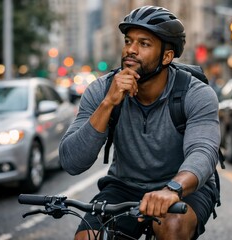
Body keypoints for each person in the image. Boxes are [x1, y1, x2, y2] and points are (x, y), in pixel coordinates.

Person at [59, 5, 221, 240]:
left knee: (172, 226)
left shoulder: (196, 94)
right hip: (124, 185)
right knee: (88, 237)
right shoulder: (101, 90)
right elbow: (72, 162)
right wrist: (108, 104)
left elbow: (204, 151)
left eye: (144, 44)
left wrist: (172, 189)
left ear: (167, 56)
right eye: (128, 41)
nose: (130, 50)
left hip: (183, 185)